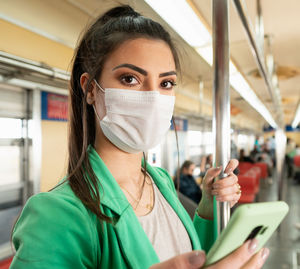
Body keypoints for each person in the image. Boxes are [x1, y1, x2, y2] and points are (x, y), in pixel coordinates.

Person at [10, 5, 269, 269]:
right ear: (90, 89)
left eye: (165, 83)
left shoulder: (160, 181)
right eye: (130, 79)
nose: (152, 98)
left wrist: (206, 210)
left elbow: (189, 255)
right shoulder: (57, 214)